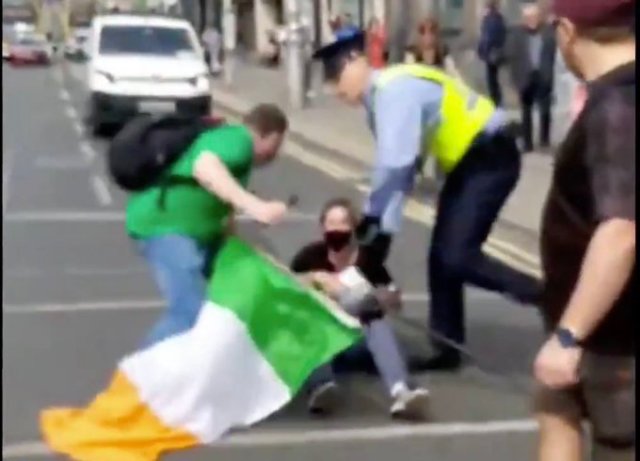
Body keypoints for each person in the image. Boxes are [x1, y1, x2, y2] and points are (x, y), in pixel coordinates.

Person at [312, 33, 542, 372]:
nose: (334, 89)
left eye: (335, 76)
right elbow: (402, 175)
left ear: (355, 62)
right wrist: (381, 234)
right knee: (441, 258)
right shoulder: (379, 103)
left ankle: (544, 295)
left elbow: (395, 164)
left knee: (457, 255)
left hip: (490, 156)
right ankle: (447, 347)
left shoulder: (392, 91)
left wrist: (373, 218)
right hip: (469, 163)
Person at [533, 1, 635, 460]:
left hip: (614, 336)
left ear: (566, 32)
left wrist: (568, 335)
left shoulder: (618, 106)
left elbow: (622, 230)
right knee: (553, 405)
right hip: (597, 324)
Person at [126, 104, 289, 347]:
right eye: (278, 144)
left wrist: (239, 251)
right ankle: (140, 369)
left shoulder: (235, 153)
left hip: (197, 233)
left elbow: (222, 209)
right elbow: (204, 166)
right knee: (189, 312)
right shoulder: (239, 140)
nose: (276, 153)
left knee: (242, 289)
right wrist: (257, 207)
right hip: (166, 229)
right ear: (271, 136)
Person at [290, 198, 429, 420]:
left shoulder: (369, 260)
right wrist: (315, 279)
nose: (336, 230)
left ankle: (401, 390)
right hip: (326, 340)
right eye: (331, 223)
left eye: (343, 224)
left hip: (356, 338)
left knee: (377, 321)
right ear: (322, 228)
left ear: (353, 228)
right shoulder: (310, 257)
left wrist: (386, 298)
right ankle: (321, 387)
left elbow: (393, 298)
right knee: (312, 325)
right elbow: (286, 288)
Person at [506, 3, 557, 152]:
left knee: (545, 110)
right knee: (526, 111)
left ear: (539, 18)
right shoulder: (516, 34)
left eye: (534, 17)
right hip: (525, 76)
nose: (532, 20)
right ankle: (527, 143)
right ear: (523, 19)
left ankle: (544, 141)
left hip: (543, 75)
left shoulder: (548, 32)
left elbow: (554, 51)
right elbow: (511, 55)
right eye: (528, 17)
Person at [477, 0, 507, 106]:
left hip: (491, 53)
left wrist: (483, 50)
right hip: (493, 52)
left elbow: (488, 37)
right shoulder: (497, 18)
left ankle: (496, 101)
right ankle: (496, 101)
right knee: (493, 78)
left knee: (492, 79)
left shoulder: (492, 19)